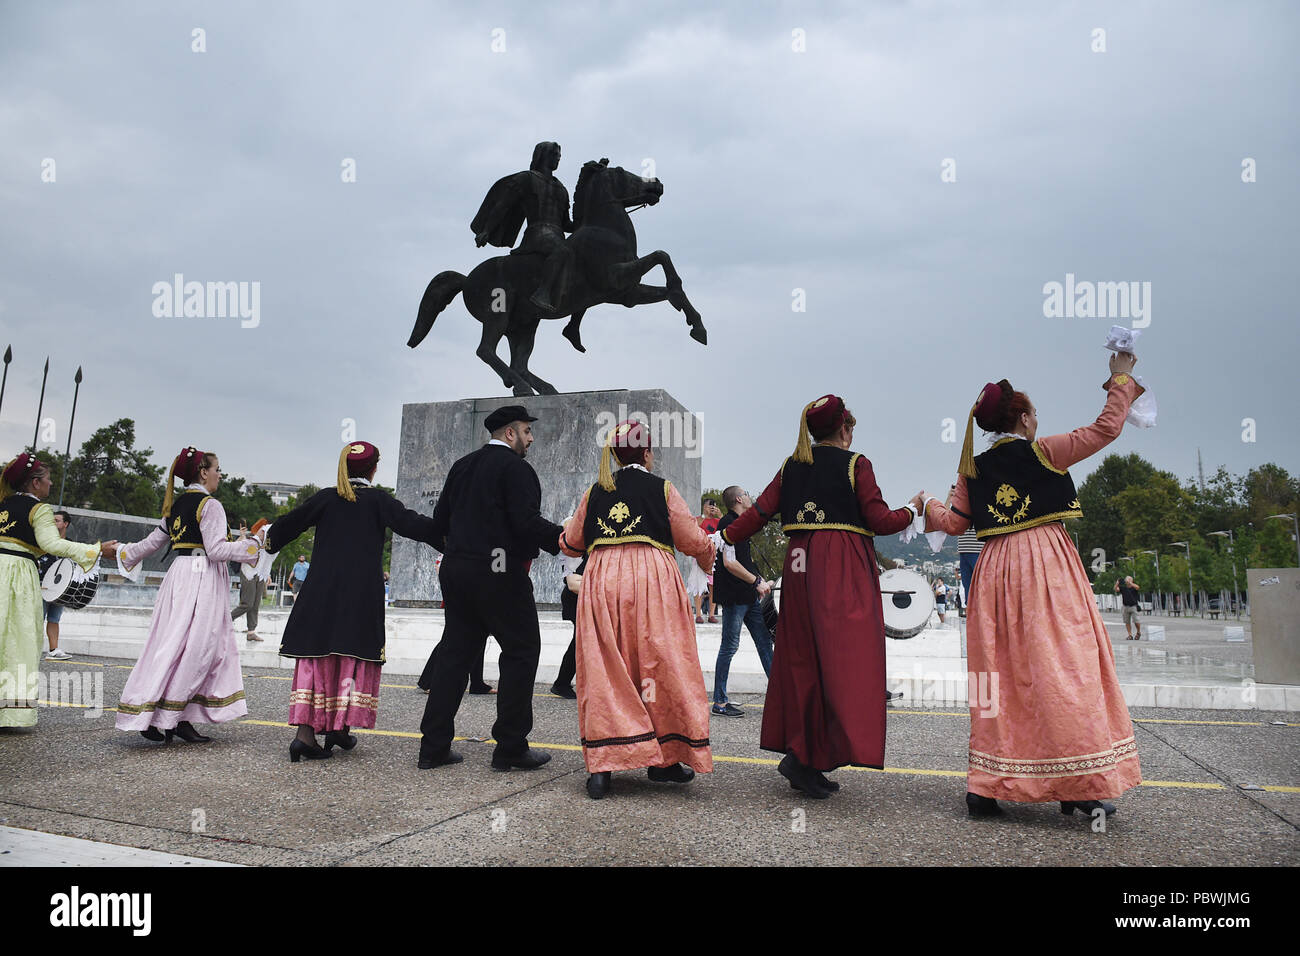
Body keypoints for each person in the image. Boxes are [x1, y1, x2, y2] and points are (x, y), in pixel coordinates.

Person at [921, 352, 1144, 821]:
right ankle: (1076, 784)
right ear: (1022, 418)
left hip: (994, 570)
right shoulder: (1044, 452)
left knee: (994, 675)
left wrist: (925, 502)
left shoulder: (972, 470)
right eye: (1034, 414)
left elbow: (952, 522)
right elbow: (1106, 428)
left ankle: (984, 786)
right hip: (1045, 566)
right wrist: (1120, 375)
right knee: (1061, 669)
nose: (1037, 421)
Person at [720, 395, 922, 798]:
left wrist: (722, 536)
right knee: (843, 663)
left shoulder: (792, 465)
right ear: (845, 429)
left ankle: (805, 755)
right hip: (842, 567)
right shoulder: (856, 464)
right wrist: (914, 510)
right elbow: (881, 520)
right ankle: (809, 756)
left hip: (799, 568)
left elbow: (758, 513)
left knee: (804, 662)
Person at [558, 420, 716, 799]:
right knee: (658, 666)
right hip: (652, 583)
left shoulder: (596, 490)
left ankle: (603, 767)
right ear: (647, 452)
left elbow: (571, 542)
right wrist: (709, 555)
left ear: (614, 454)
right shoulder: (661, 488)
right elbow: (692, 539)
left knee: (606, 669)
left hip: (602, 582)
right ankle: (664, 760)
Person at [269, 442, 441, 762]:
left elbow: (288, 524)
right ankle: (339, 726)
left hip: (320, 593)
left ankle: (305, 734)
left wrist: (267, 542)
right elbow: (413, 524)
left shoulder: (326, 497)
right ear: (374, 469)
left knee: (317, 654)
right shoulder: (378, 501)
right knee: (351, 654)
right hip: (359, 595)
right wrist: (450, 536)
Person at [418, 405, 565, 772]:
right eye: (528, 432)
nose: (531, 439)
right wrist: (564, 539)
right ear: (511, 433)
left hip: (457, 570)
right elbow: (526, 521)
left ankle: (433, 747)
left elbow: (440, 522)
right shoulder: (516, 469)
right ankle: (511, 747)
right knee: (520, 650)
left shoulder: (462, 465)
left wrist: (459, 554)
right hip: (499, 571)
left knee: (455, 654)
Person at [114, 448, 261, 743]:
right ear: (203, 472)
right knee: (200, 648)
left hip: (178, 575)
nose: (220, 474)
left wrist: (124, 552)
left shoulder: (178, 505)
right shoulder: (210, 505)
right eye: (217, 468)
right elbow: (217, 550)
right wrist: (254, 546)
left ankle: (165, 714)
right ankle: (173, 716)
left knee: (171, 645)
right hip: (201, 576)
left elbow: (152, 542)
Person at [1, 454, 114, 728]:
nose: (51, 484)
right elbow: (54, 544)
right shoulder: (38, 509)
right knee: (18, 641)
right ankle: (10, 711)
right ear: (36, 483)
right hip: (17, 575)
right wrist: (95, 550)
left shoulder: (3, 505)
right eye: (48, 479)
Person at [711, 485, 774, 717]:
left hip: (747, 595)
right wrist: (756, 581)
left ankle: (781, 695)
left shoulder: (742, 525)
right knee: (729, 646)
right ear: (739, 499)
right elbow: (730, 564)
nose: (750, 497)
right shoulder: (728, 524)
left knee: (765, 642)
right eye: (747, 494)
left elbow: (745, 560)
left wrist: (761, 580)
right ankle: (719, 701)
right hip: (735, 596)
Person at [38, 509, 75, 660]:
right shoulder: (44, 541)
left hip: (60, 589)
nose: (54, 523)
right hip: (42, 586)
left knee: (54, 619)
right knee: (37, 619)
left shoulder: (70, 545)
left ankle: (53, 650)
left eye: (57, 520)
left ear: (65, 524)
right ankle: (29, 649)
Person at [551, 549, 584, 699]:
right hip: (576, 601)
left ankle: (562, 683)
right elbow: (572, 585)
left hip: (586, 598)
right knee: (580, 642)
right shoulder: (570, 552)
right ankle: (561, 683)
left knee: (581, 642)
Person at [230, 517, 270, 642]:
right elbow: (235, 548)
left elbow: (266, 558)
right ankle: (225, 620)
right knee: (247, 603)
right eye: (262, 530)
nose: (263, 532)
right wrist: (242, 536)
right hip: (247, 572)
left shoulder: (267, 542)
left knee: (255, 605)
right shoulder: (249, 540)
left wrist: (267, 574)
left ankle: (251, 632)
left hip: (259, 574)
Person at [1116, 575, 1142, 640]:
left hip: (1133, 606)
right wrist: (1117, 584)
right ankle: (1130, 635)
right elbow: (1116, 590)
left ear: (1131, 581)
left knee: (1136, 621)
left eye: (1128, 580)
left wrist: (1130, 583)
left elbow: (1138, 587)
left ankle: (1138, 632)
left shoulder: (1133, 587)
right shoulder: (1123, 587)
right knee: (1127, 621)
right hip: (1125, 606)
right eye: (1126, 580)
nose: (1126, 581)